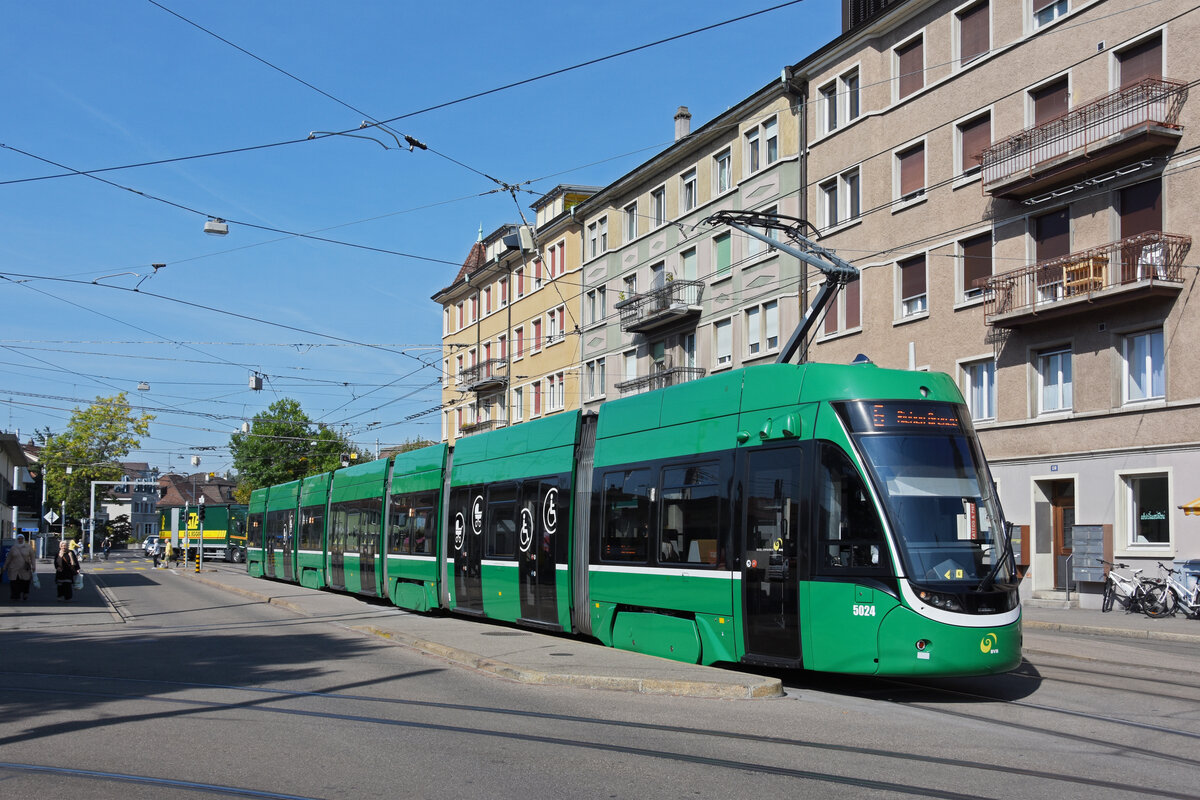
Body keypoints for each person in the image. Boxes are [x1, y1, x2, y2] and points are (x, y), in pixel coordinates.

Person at [3, 533, 35, 601]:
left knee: (25, 582)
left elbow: (32, 557)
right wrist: (5, 566)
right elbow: (9, 558)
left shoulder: (28, 547)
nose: (20, 540)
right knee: (14, 582)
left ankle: (25, 593)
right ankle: (15, 595)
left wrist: (33, 566)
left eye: (21, 538)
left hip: (24, 568)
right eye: (19, 539)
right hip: (14, 568)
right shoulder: (13, 548)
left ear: (23, 539)